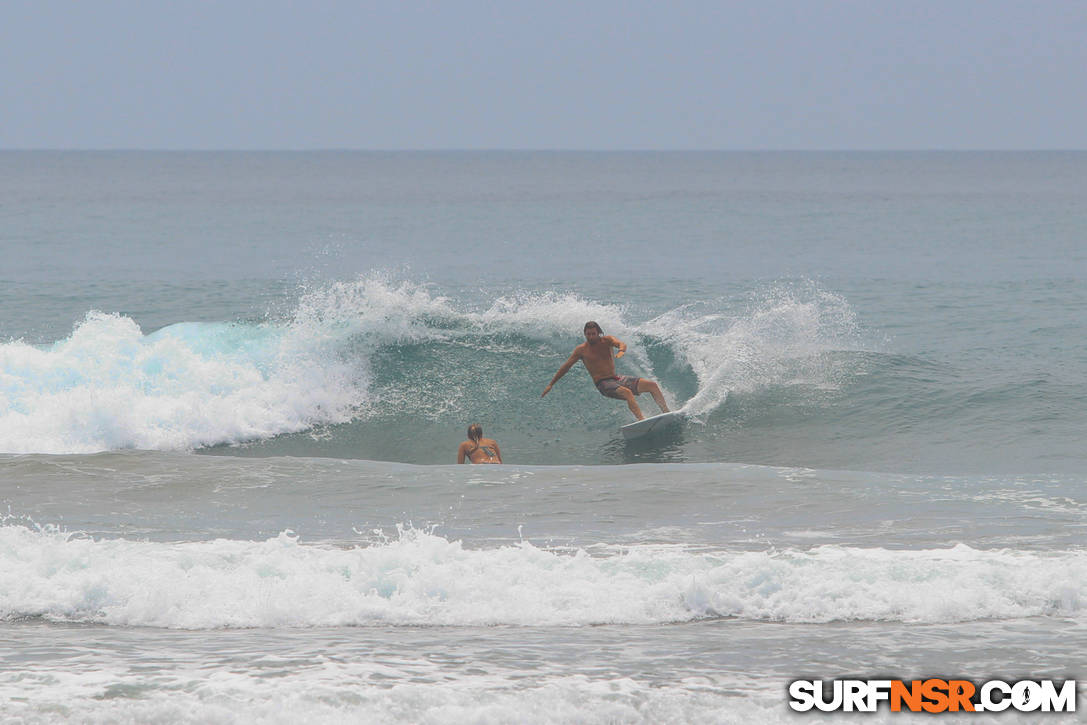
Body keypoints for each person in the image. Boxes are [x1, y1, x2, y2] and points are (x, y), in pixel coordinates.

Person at [541, 321, 669, 421]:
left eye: (593, 334)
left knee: (652, 385)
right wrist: (551, 384)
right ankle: (641, 420)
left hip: (616, 379)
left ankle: (667, 413)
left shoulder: (607, 341)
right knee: (627, 393)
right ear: (585, 334)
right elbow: (566, 367)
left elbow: (620, 344)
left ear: (598, 333)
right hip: (603, 384)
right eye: (588, 334)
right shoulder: (581, 350)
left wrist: (621, 350)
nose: (590, 337)